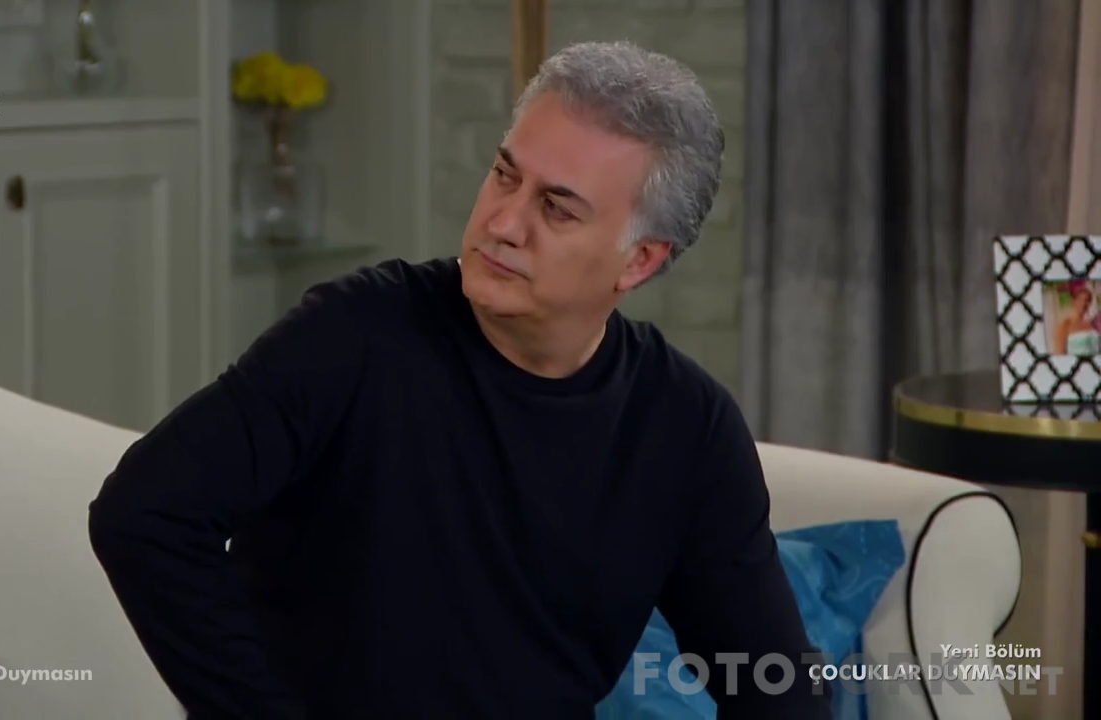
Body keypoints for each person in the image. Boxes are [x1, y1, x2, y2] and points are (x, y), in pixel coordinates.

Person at [88, 41, 831, 719]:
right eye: (505, 175)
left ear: (639, 260)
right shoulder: (355, 337)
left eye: (556, 208)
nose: (503, 223)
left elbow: (775, 687)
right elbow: (143, 516)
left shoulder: (684, 426)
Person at [1053, 280, 1099, 356]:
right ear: (1074, 301)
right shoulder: (1065, 324)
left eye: (1088, 301)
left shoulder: (1091, 324)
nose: (1085, 303)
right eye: (1081, 299)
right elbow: (1059, 354)